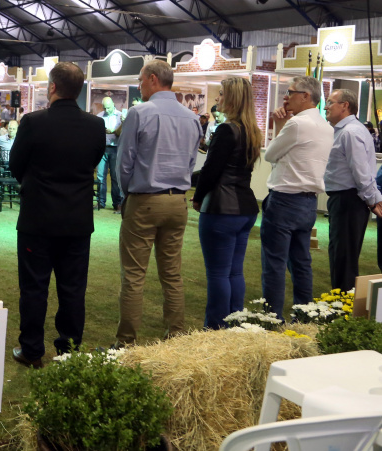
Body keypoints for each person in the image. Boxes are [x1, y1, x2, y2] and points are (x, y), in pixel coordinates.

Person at [9, 62, 106, 367]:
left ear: (52, 87)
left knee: (34, 287)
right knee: (73, 289)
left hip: (37, 219)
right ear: (79, 90)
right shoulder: (95, 126)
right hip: (77, 221)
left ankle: (32, 350)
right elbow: (93, 161)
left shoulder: (33, 122)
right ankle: (69, 349)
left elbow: (16, 165)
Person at [114, 61, 201, 346]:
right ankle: (175, 334)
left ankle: (126, 341)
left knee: (134, 275)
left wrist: (129, 194)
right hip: (178, 202)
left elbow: (124, 162)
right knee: (172, 273)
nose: (139, 86)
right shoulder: (191, 117)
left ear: (152, 79)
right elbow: (191, 162)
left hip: (145, 200)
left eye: (140, 81)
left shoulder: (140, 112)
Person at [261, 76, 333, 321]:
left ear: (306, 96)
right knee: (301, 261)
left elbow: (270, 154)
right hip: (308, 201)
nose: (286, 96)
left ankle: (272, 319)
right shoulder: (326, 126)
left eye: (291, 92)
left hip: (284, 200)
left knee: (275, 264)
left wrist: (280, 125)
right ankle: (304, 315)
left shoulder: (297, 124)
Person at [192, 77, 262, 329]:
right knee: (234, 271)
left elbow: (211, 170)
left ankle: (215, 327)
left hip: (221, 209)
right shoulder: (252, 131)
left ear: (231, 98)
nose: (217, 98)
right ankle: (234, 321)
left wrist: (198, 197)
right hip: (245, 208)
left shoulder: (226, 130)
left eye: (221, 94)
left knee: (218, 273)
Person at [324, 89, 382, 291]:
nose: (326, 106)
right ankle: (341, 300)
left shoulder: (350, 132)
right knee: (342, 255)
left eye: (330, 102)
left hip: (348, 199)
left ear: (345, 105)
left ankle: (342, 305)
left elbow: (361, 171)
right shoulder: (349, 130)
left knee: (344, 257)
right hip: (347, 199)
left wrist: (372, 199)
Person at [96, 96, 123, 213]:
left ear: (113, 104)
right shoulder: (100, 116)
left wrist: (114, 130)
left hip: (116, 148)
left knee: (115, 177)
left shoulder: (121, 116)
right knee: (100, 176)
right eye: (105, 108)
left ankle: (117, 203)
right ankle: (100, 202)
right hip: (103, 148)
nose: (107, 110)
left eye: (109, 107)